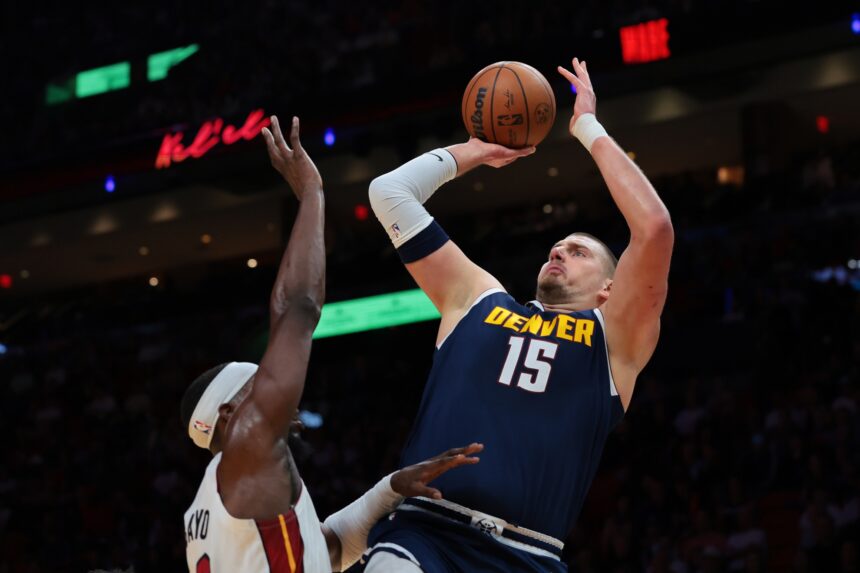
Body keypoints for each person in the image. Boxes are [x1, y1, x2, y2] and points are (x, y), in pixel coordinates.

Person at [363, 57, 674, 572]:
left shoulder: (614, 339)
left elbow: (655, 228)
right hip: (424, 535)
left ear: (610, 289)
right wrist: (474, 151)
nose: (559, 251)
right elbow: (389, 193)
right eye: (556, 247)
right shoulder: (477, 299)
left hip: (528, 556)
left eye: (578, 251)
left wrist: (587, 126)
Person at [180, 115, 483, 573]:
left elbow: (328, 552)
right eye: (258, 384)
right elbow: (298, 309)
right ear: (228, 416)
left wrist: (391, 489)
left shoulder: (224, 497)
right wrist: (311, 194)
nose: (278, 385)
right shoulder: (249, 452)